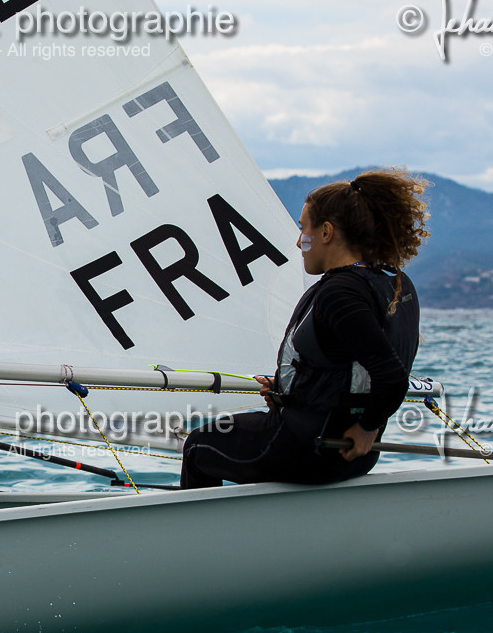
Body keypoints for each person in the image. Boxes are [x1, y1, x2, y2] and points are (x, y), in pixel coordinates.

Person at [180, 169, 430, 488]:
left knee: (200, 444)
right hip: (356, 455)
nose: (300, 242)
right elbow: (347, 369)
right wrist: (289, 392)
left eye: (304, 229)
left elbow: (391, 377)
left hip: (308, 449)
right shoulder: (394, 282)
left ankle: (200, 537)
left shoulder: (341, 293)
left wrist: (366, 427)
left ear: (326, 232)